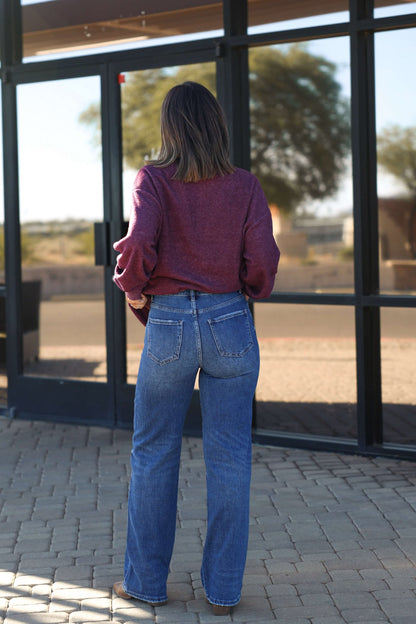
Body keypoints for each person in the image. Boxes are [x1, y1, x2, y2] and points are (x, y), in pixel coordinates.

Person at [112, 81, 279, 616]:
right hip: (230, 317)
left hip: (170, 325)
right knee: (230, 458)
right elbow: (263, 259)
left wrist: (133, 287)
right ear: (216, 125)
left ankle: (145, 585)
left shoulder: (153, 179)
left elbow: (138, 243)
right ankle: (224, 592)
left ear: (170, 127)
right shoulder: (245, 185)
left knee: (154, 452)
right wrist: (246, 290)